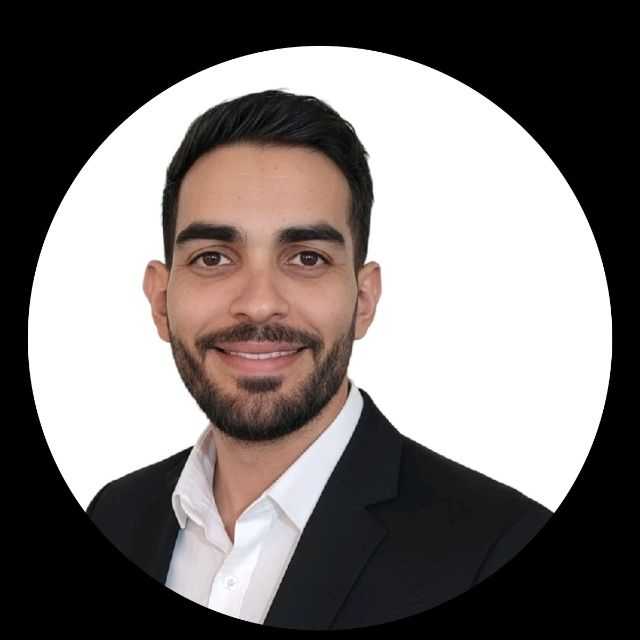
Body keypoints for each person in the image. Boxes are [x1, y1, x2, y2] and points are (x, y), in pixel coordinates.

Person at [86, 89, 554, 629]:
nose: (258, 303)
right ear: (161, 301)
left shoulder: (498, 547)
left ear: (364, 301)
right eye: (213, 258)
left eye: (307, 258)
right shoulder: (115, 517)